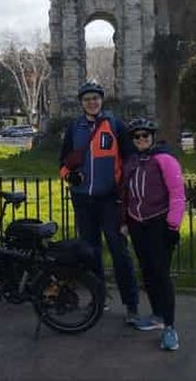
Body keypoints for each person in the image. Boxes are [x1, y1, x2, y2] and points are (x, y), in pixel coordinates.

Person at [59, 81, 140, 322]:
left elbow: (130, 159)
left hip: (110, 200)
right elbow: (62, 163)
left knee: (119, 252)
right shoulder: (74, 128)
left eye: (95, 98)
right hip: (83, 199)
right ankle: (98, 300)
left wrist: (124, 188)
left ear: (101, 100)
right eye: (87, 99)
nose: (92, 102)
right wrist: (70, 175)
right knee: (90, 252)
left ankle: (131, 306)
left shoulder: (115, 125)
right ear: (81, 103)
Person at [121, 117, 186, 351]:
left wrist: (173, 226)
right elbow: (126, 195)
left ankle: (170, 327)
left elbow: (177, 193)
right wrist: (125, 221)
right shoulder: (130, 162)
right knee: (147, 272)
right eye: (136, 136)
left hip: (159, 223)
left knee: (161, 274)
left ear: (152, 137)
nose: (141, 139)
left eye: (145, 135)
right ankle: (157, 315)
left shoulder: (165, 159)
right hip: (137, 223)